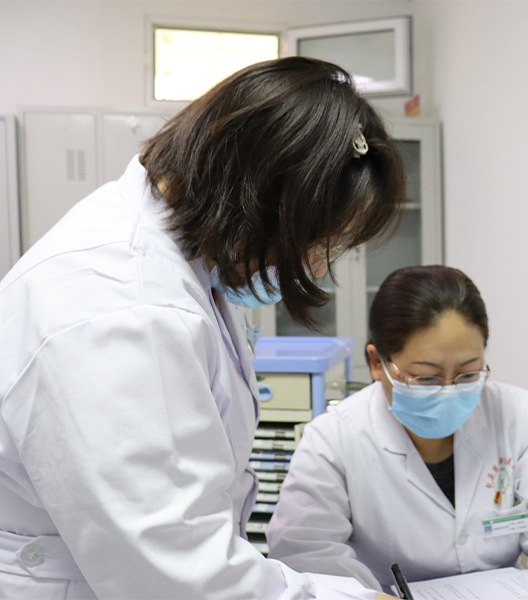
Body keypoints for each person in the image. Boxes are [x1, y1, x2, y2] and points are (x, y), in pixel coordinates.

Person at [0, 57, 405, 599]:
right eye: (318, 242)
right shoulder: (123, 305)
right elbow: (176, 571)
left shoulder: (181, 255)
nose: (317, 268)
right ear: (256, 199)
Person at [267, 266, 528, 596]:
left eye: (468, 373)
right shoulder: (333, 439)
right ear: (377, 363)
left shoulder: (519, 415)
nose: (450, 389)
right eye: (426, 377)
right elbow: (307, 554)